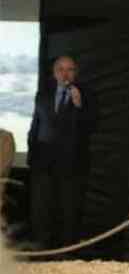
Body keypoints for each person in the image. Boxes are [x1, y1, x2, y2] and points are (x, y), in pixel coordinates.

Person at [27, 55, 97, 249]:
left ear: (76, 73)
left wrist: (79, 105)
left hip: (72, 162)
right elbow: (35, 127)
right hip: (43, 161)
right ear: (54, 73)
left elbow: (92, 126)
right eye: (61, 69)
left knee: (69, 209)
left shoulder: (86, 95)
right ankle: (42, 247)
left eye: (70, 69)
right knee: (42, 207)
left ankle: (67, 251)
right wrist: (32, 156)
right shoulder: (43, 94)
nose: (65, 74)